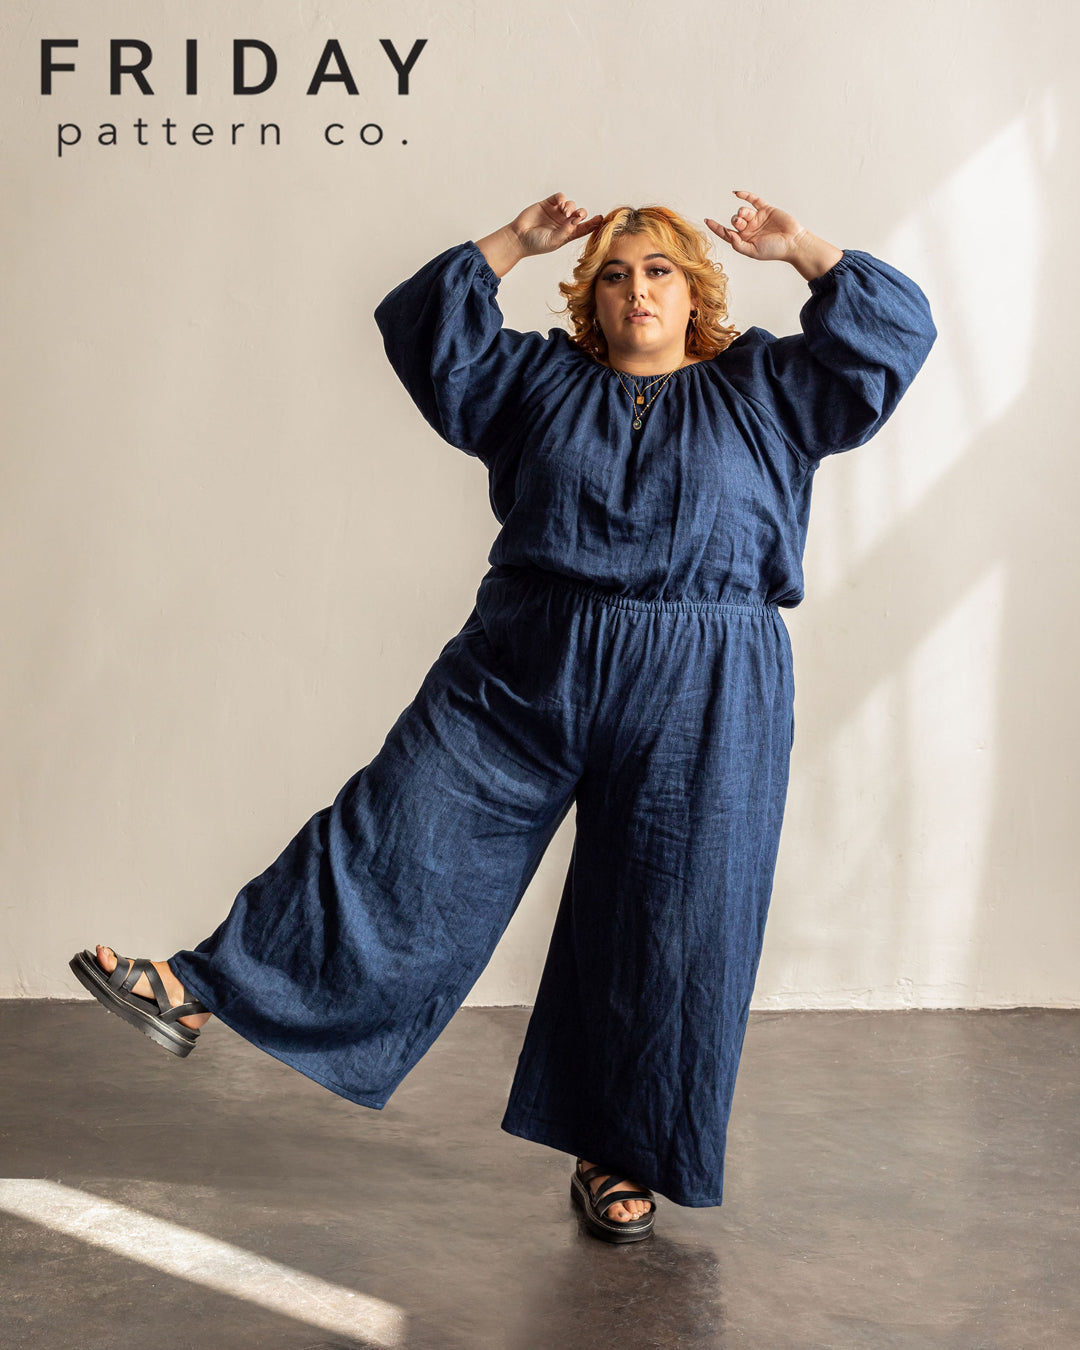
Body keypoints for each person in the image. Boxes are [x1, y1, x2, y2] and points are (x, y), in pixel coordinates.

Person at [71, 190, 937, 1244]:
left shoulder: (767, 389)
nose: (636, 290)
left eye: (658, 270)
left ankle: (619, 1153)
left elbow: (894, 331)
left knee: (674, 921)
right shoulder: (535, 384)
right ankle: (198, 988)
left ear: (696, 291)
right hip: (530, 658)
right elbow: (426, 327)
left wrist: (800, 249)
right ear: (590, 298)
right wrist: (517, 243)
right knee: (403, 832)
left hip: (709, 679)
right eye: (613, 274)